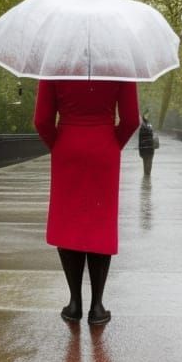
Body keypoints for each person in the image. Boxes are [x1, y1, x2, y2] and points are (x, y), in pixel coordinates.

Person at [33, 77, 139, 325]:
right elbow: (131, 120)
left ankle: (74, 303)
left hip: (67, 145)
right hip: (105, 147)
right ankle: (97, 306)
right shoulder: (119, 64)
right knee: (100, 222)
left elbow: (41, 121)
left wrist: (59, 143)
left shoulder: (56, 64)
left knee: (68, 221)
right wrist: (113, 143)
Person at [138, 110, 159, 177]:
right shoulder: (148, 126)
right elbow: (141, 138)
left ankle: (146, 175)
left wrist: (140, 150)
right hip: (148, 148)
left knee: (146, 162)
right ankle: (147, 175)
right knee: (148, 162)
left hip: (146, 148)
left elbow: (140, 139)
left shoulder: (143, 126)